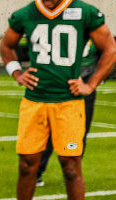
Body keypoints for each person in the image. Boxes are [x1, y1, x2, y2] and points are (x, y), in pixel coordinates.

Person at [0, 0, 116, 200]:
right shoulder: (25, 14)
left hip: (68, 103)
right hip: (34, 101)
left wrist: (91, 84)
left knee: (71, 167)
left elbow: (111, 50)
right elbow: (6, 45)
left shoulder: (84, 12)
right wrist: (16, 71)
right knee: (27, 166)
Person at [35, 38, 100, 187]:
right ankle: (37, 172)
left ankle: (70, 174)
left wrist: (93, 82)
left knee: (79, 134)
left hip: (82, 89)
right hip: (61, 86)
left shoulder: (95, 35)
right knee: (51, 130)